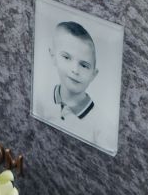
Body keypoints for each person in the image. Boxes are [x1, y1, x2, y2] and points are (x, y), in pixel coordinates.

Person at [34, 21, 116, 153]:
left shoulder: (103, 127)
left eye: (84, 65)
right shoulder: (40, 99)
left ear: (93, 75)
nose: (75, 70)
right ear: (53, 56)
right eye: (66, 57)